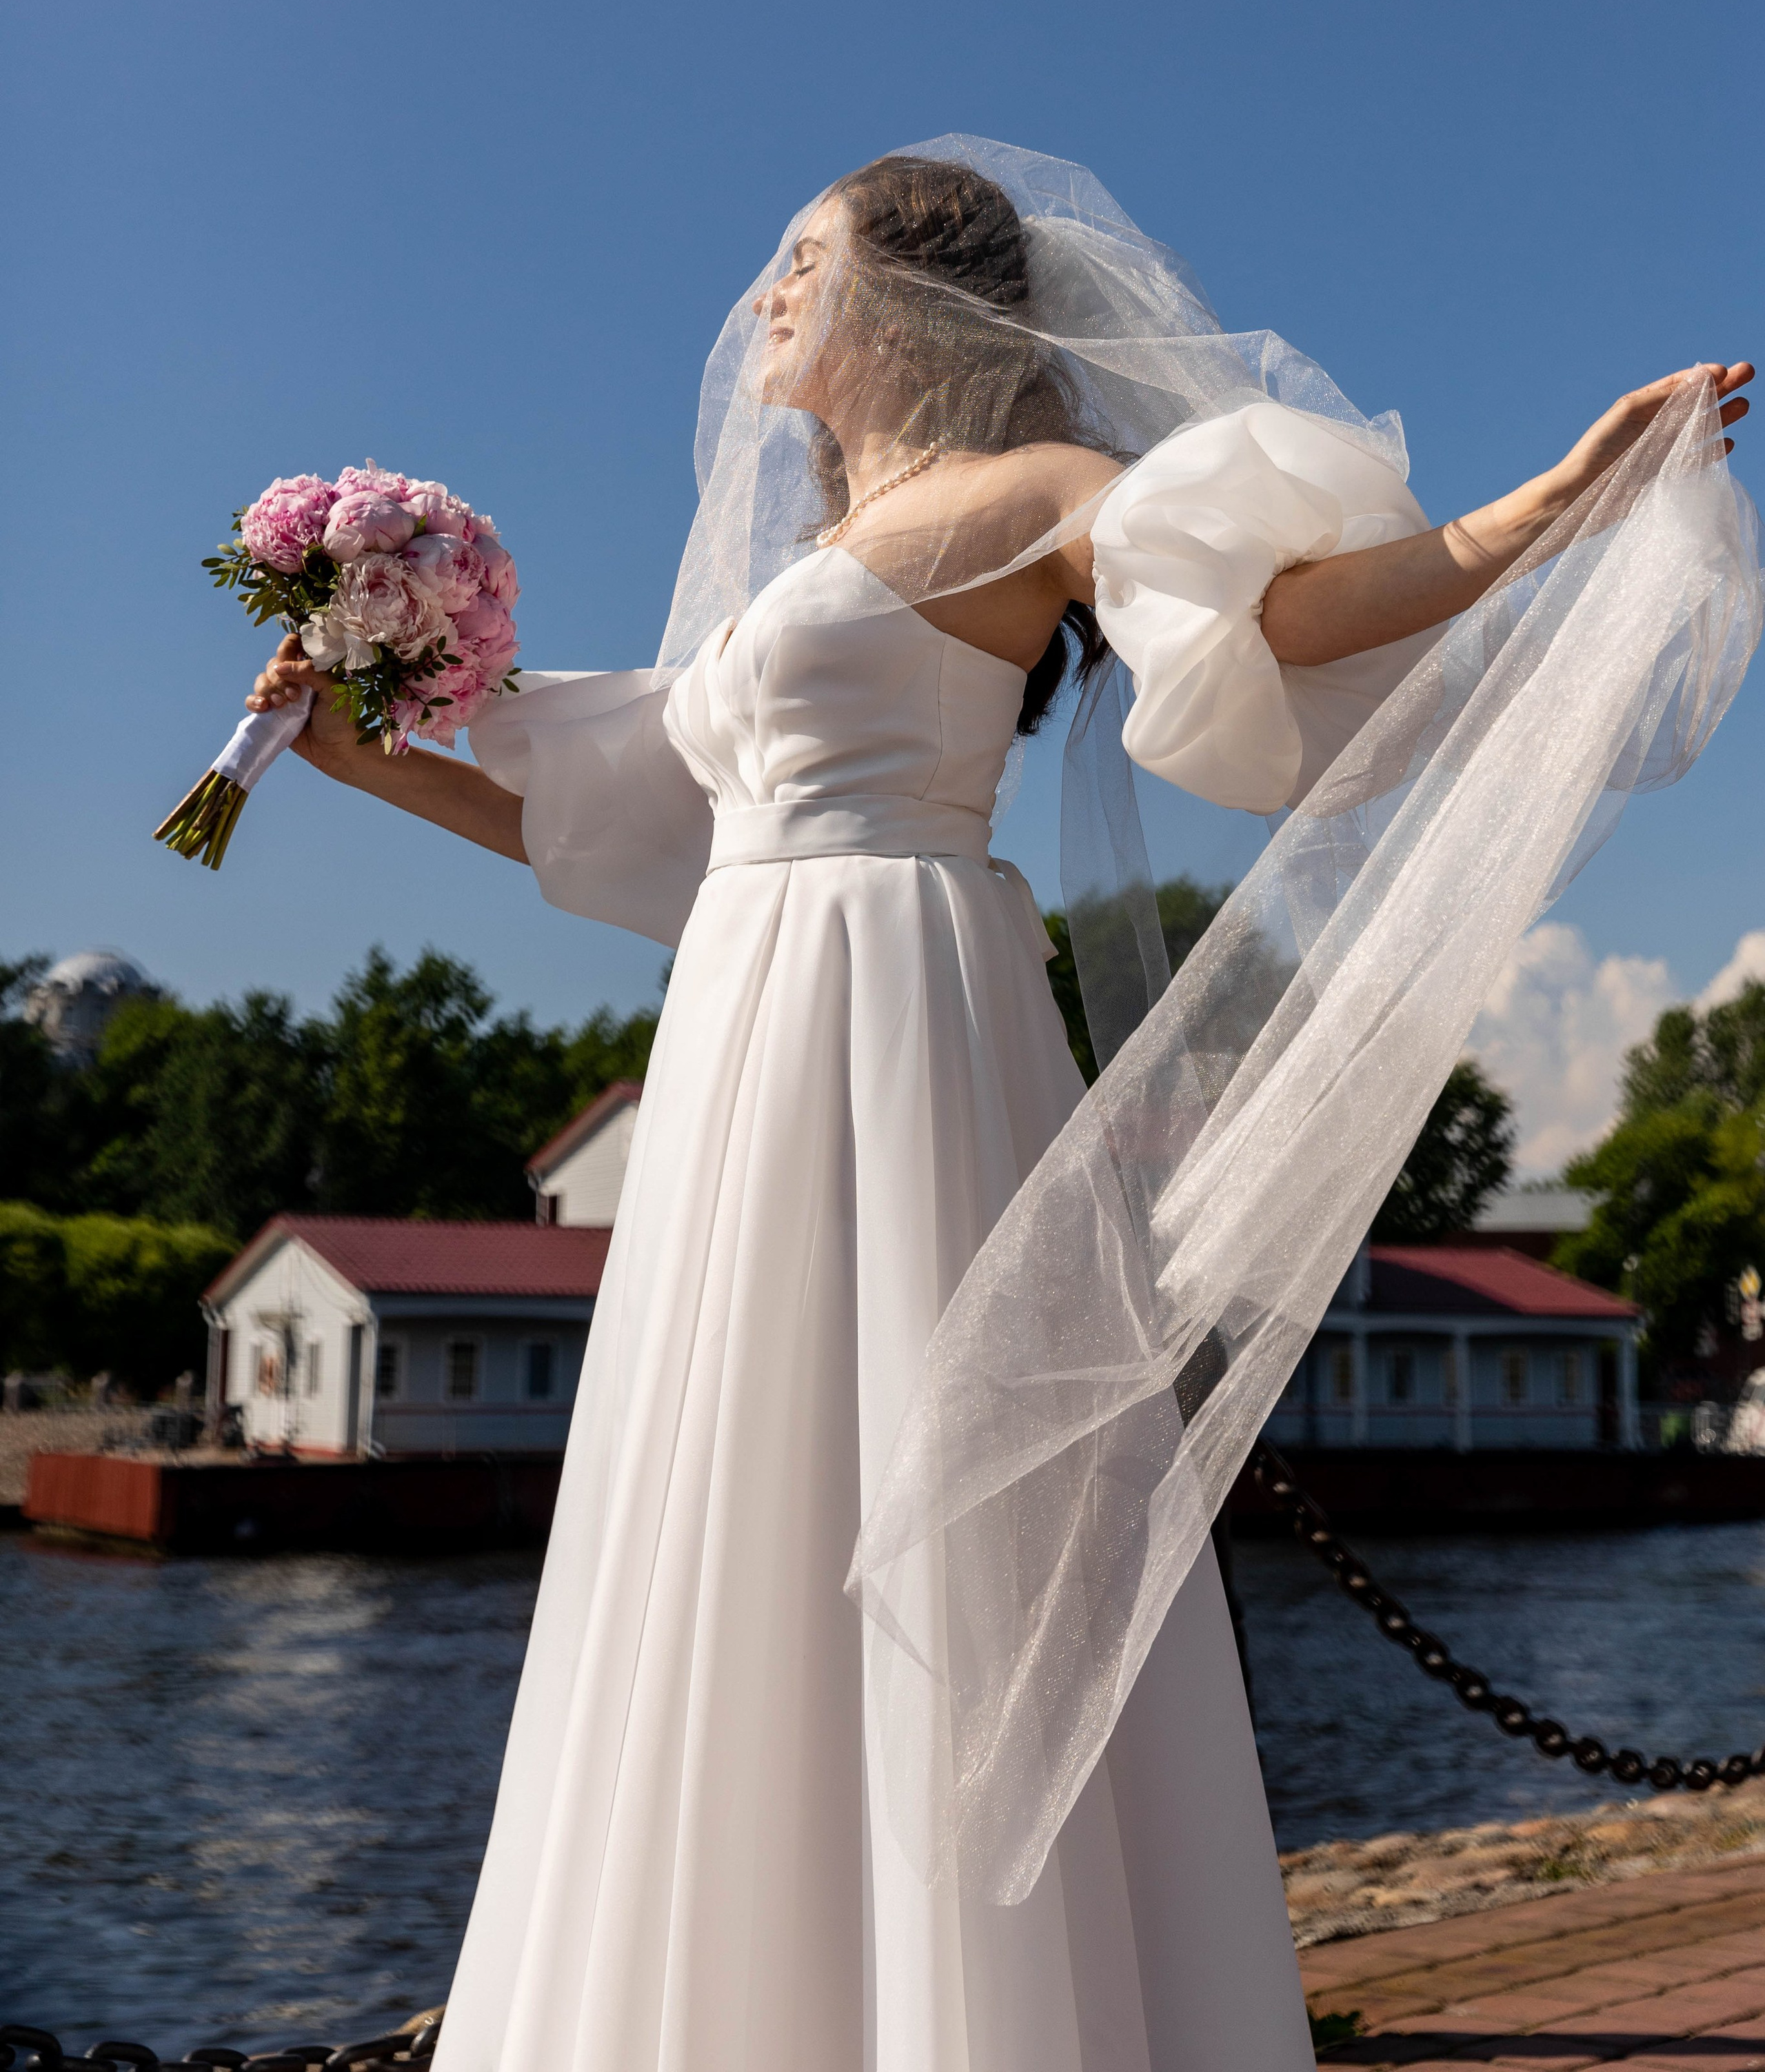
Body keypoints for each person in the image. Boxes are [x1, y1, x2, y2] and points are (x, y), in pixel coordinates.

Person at [249, 145, 1751, 2072]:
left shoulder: (1037, 493)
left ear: (911, 297)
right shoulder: (791, 579)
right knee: (726, 1491)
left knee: (920, 1471)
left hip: (903, 1007)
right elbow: (632, 824)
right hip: (743, 1030)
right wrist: (359, 759)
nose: (766, 294)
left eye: (806, 259)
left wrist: (1550, 501)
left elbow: (1292, 615)